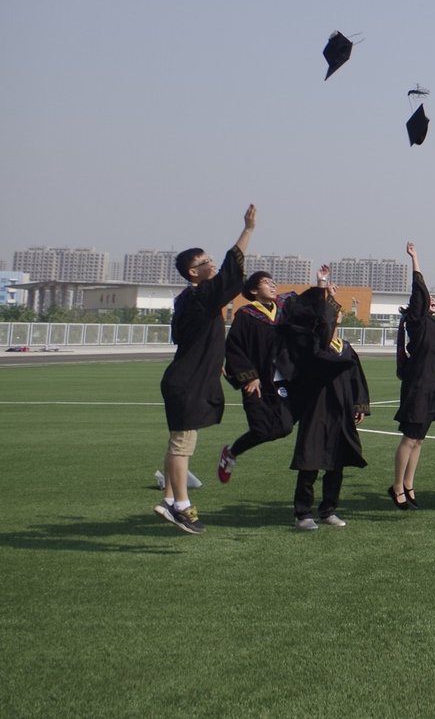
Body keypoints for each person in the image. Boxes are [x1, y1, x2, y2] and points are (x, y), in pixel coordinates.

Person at [154, 204, 255, 535]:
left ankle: (169, 498)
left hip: (185, 380)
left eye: (210, 259)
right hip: (187, 384)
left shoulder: (189, 300)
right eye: (204, 263)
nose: (211, 264)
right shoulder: (201, 298)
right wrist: (248, 230)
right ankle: (182, 506)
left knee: (181, 444)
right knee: (181, 447)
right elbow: (230, 273)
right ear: (192, 273)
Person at [281, 269, 370, 530]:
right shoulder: (315, 347)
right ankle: (302, 513)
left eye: (337, 312)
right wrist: (322, 287)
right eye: (331, 312)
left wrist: (359, 405)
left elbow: (357, 380)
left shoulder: (346, 348)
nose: (335, 314)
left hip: (341, 410)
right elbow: (319, 317)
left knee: (336, 462)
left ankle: (328, 509)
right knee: (310, 462)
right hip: (317, 408)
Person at [217, 269, 294, 484]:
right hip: (256, 382)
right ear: (254, 290)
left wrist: (322, 285)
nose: (272, 285)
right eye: (266, 283)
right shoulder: (247, 315)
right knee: (260, 429)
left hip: (280, 380)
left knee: (285, 427)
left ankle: (232, 451)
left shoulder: (283, 310)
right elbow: (234, 348)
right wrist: (249, 376)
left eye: (273, 281)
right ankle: (231, 453)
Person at [391, 242, 435, 510]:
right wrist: (416, 260)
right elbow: (419, 291)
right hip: (418, 386)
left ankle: (409, 484)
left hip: (434, 388)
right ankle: (396, 486)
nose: (432, 301)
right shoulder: (417, 321)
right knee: (410, 437)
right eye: (429, 299)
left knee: (419, 440)